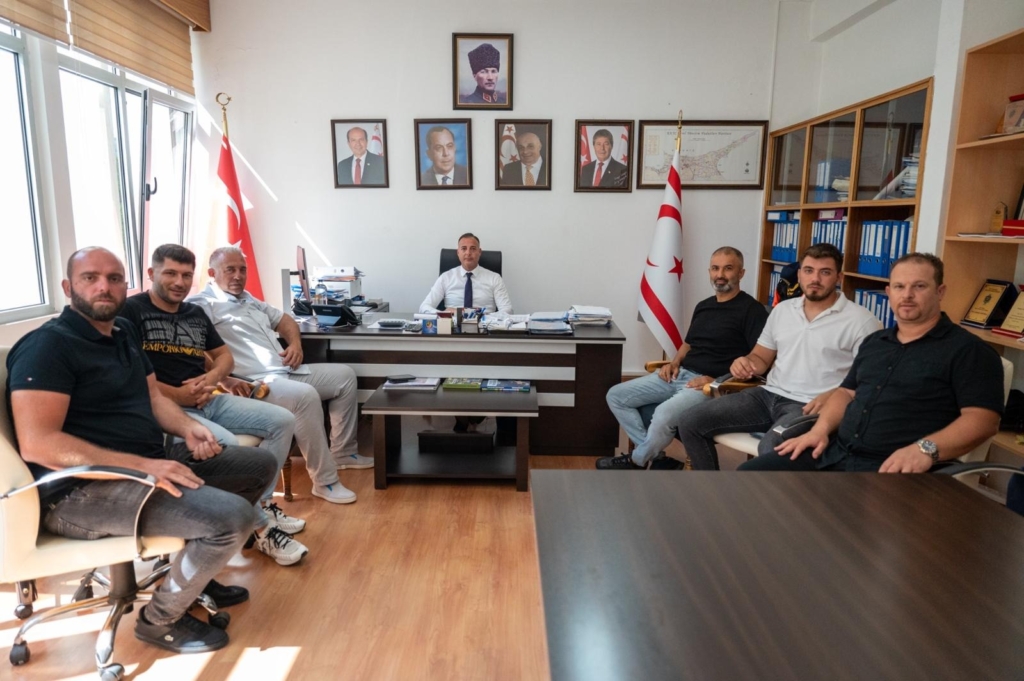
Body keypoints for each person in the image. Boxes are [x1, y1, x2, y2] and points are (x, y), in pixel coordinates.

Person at [7, 247, 278, 653]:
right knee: (231, 518)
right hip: (79, 491)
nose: (104, 287)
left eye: (114, 278)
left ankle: (194, 576)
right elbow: (39, 442)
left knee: (257, 465)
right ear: (67, 287)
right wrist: (143, 466)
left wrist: (188, 428)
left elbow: (152, 397)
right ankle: (160, 619)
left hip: (144, 465)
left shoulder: (122, 332)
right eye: (90, 278)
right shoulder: (48, 347)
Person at [121, 244, 310, 566]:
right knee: (226, 445)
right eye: (170, 273)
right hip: (168, 409)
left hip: (209, 399)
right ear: (151, 274)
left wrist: (213, 379)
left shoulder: (193, 313)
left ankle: (263, 504)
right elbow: (132, 376)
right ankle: (261, 531)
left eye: (186, 275)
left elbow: (224, 357)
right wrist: (177, 395)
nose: (179, 282)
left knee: (282, 420)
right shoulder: (130, 312)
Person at [744, 253, 1004, 473]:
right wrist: (819, 430)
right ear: (889, 293)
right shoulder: (876, 342)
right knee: (751, 476)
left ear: (940, 292)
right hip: (836, 453)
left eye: (919, 286)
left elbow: (983, 421)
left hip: (895, 468)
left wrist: (925, 449)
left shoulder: (969, 351)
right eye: (899, 287)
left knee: (801, 507)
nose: (907, 295)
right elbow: (846, 392)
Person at [677, 244, 881, 470]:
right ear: (799, 274)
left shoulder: (861, 321)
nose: (815, 279)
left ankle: (765, 494)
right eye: (808, 271)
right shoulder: (783, 310)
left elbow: (869, 381)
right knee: (689, 421)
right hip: (767, 395)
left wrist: (834, 394)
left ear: (839, 277)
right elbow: (760, 358)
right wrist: (745, 363)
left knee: (772, 448)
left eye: (825, 272)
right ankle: (709, 486)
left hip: (809, 405)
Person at [190, 246, 368, 505]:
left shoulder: (248, 299)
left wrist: (295, 344)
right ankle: (325, 481)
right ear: (212, 273)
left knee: (344, 376)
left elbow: (285, 320)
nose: (238, 276)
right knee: (305, 396)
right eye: (230, 270)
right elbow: (196, 348)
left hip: (285, 371)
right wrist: (223, 379)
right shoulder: (202, 304)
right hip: (253, 382)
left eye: (242, 270)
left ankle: (343, 452)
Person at [599, 247, 768, 470]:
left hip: (709, 386)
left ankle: (637, 461)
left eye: (728, 268)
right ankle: (655, 458)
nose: (720, 275)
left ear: (741, 273)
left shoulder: (752, 310)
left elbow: (756, 360)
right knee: (616, 395)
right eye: (715, 268)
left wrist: (716, 381)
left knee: (663, 414)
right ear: (709, 271)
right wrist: (674, 362)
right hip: (680, 374)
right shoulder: (704, 306)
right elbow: (688, 344)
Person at [419, 233, 512, 314]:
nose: (468, 253)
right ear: (458, 252)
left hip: (485, 326)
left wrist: (483, 316)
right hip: (453, 326)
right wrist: (444, 314)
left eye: (473, 249)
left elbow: (507, 310)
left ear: (479, 252)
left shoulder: (494, 278)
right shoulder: (446, 277)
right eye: (464, 248)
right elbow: (424, 307)